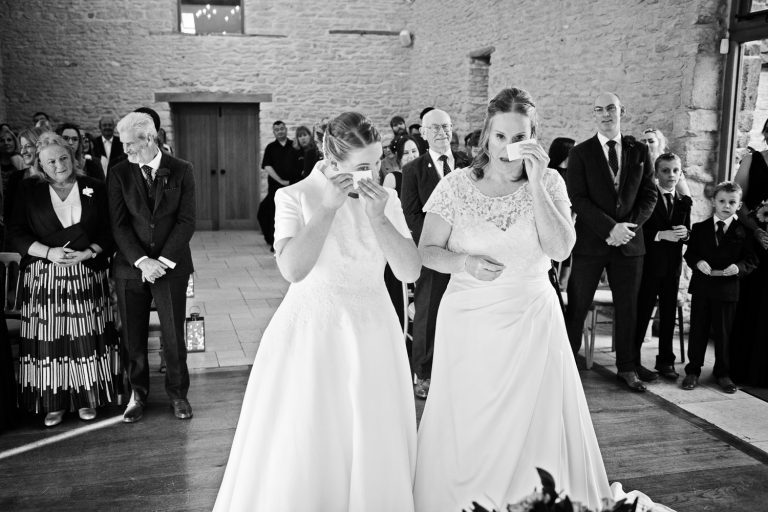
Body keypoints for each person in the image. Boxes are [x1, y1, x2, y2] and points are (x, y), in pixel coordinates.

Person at [413, 87, 610, 511]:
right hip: (469, 319)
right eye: (500, 137)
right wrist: (464, 263)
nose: (507, 148)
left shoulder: (552, 181)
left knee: (534, 422)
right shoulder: (455, 186)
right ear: (486, 136)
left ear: (533, 137)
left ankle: (532, 500)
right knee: (469, 417)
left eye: (518, 137)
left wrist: (537, 182)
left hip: (533, 317)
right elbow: (427, 251)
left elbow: (559, 249)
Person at [213, 112, 420, 511]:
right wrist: (327, 208)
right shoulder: (292, 197)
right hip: (314, 333)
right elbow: (293, 269)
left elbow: (409, 270)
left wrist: (379, 219)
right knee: (311, 434)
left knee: (372, 432)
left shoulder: (386, 200)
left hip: (375, 329)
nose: (373, 173)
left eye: (376, 162)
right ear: (331, 158)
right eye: (363, 166)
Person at [7, 132, 120, 427]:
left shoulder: (94, 187)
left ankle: (88, 399)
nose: (59, 165)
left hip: (86, 275)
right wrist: (48, 252)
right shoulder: (28, 190)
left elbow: (110, 232)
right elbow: (16, 232)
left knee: (86, 338)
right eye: (51, 161)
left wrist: (89, 253)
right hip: (45, 276)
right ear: (41, 166)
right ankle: (52, 404)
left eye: (63, 158)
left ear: (73, 158)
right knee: (49, 342)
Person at [565, 92, 657, 392]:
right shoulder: (581, 153)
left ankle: (627, 368)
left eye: (611, 108)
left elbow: (649, 195)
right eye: (599, 109)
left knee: (628, 307)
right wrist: (609, 228)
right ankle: (566, 365)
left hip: (630, 243)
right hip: (591, 243)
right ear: (594, 115)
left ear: (622, 111)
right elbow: (577, 198)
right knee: (577, 305)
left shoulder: (640, 151)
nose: (606, 114)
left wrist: (628, 228)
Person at [107, 112, 196, 423]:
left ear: (149, 138)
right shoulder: (119, 173)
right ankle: (137, 394)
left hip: (171, 266)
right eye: (123, 144)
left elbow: (187, 221)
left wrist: (163, 261)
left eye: (130, 143)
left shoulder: (182, 170)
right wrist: (143, 261)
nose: (126, 149)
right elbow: (118, 224)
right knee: (133, 336)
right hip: (131, 268)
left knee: (174, 335)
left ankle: (178, 394)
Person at [401, 108, 471, 399]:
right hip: (433, 253)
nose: (442, 132)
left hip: (467, 250)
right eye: (436, 128)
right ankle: (425, 373)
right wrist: (437, 243)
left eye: (446, 126)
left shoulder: (469, 164)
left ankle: (463, 369)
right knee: (429, 313)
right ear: (424, 134)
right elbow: (412, 214)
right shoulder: (414, 170)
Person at [682, 181, 758, 393]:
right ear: (713, 202)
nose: (726, 205)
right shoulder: (699, 228)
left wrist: (738, 267)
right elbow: (690, 254)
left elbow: (751, 260)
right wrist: (698, 262)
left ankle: (723, 373)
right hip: (702, 288)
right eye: (722, 201)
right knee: (698, 330)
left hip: (727, 291)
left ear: (739, 204)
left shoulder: (744, 232)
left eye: (732, 202)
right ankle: (693, 370)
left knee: (724, 334)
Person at [633, 153, 692, 381]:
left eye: (675, 170)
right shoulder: (647, 198)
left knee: (668, 315)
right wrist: (660, 234)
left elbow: (688, 232)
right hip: (649, 266)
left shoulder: (684, 201)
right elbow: (637, 231)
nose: (671, 175)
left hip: (672, 268)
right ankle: (633, 361)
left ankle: (666, 361)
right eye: (666, 170)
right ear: (656, 174)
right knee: (643, 312)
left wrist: (686, 234)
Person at [730, 123, 768, 387]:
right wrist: (756, 230)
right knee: (753, 302)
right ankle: (743, 368)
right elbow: (736, 201)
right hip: (756, 244)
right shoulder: (751, 161)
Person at [383, 135, 423, 330]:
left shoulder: (426, 177)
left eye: (414, 151)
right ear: (398, 157)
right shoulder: (393, 178)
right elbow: (385, 212)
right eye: (406, 152)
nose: (411, 155)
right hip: (402, 239)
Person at [256, 120, 301, 251]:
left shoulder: (295, 145)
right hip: (275, 188)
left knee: (290, 215)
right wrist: (280, 181)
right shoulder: (271, 147)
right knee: (268, 213)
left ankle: (291, 242)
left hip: (292, 187)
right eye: (277, 129)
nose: (280, 131)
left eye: (282, 128)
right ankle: (273, 241)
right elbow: (267, 166)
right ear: (274, 132)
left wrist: (291, 181)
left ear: (286, 129)